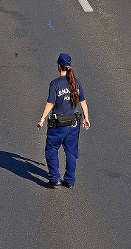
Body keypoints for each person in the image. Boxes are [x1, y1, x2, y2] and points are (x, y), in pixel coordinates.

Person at [38, 53, 91, 189]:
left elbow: (50, 103)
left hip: (57, 125)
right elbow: (83, 102)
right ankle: (69, 180)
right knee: (71, 152)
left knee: (51, 149)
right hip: (73, 124)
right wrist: (86, 118)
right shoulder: (76, 83)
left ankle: (55, 178)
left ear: (58, 66)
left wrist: (42, 119)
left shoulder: (55, 84)